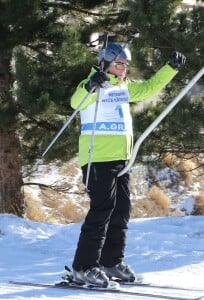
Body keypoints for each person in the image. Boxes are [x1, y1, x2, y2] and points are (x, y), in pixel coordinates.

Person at [70, 42, 186, 287]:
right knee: (101, 211)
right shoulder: (93, 86)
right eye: (119, 64)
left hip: (121, 159)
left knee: (121, 211)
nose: (123, 69)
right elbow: (75, 102)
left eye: (125, 65)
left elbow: (149, 87)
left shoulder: (123, 88)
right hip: (97, 158)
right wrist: (92, 84)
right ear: (105, 64)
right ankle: (83, 267)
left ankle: (110, 262)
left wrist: (170, 68)